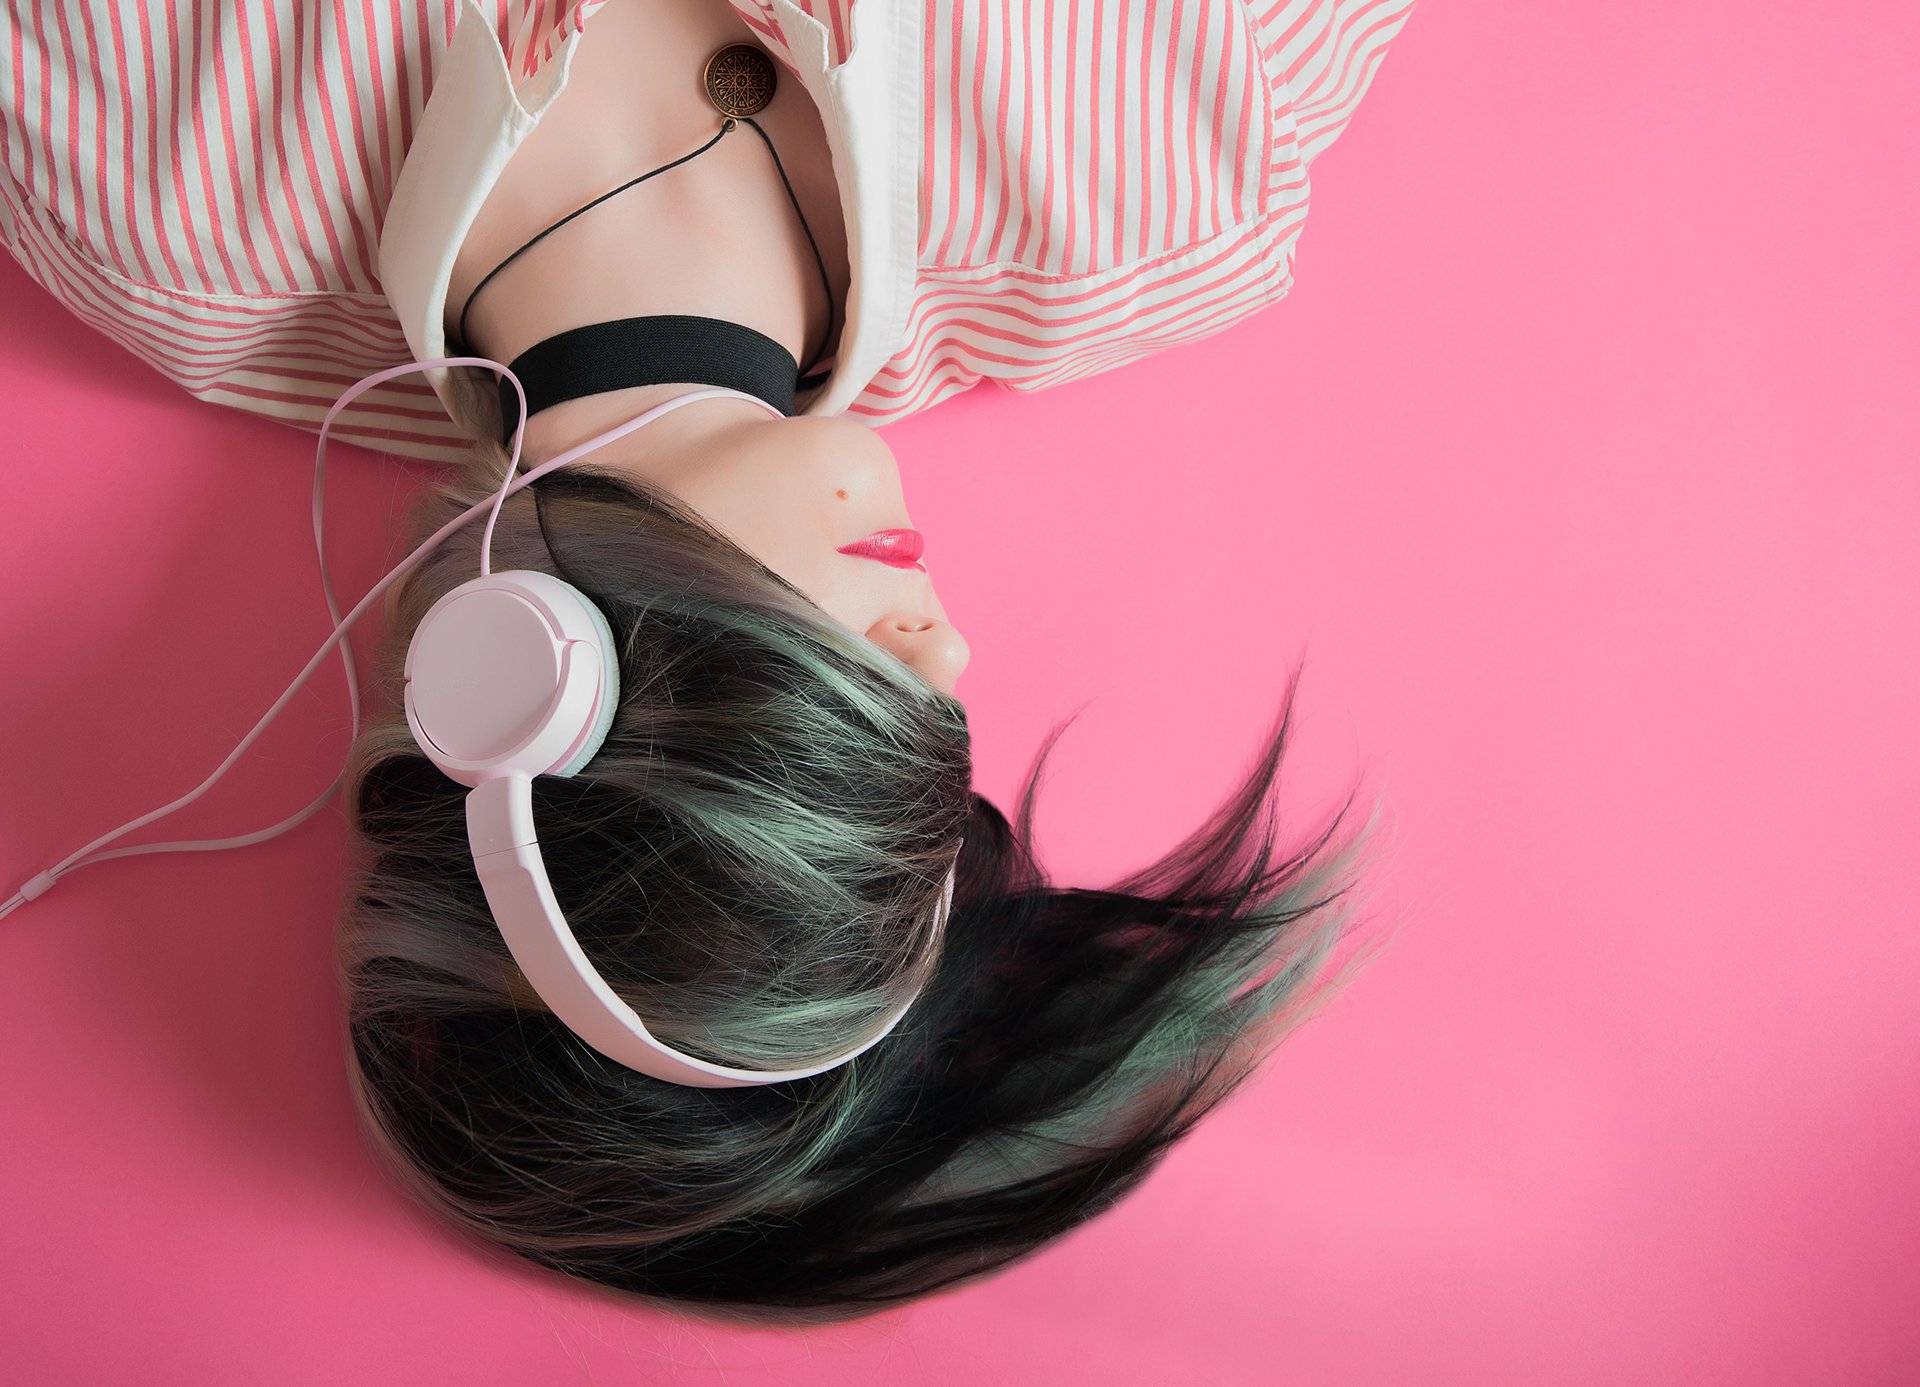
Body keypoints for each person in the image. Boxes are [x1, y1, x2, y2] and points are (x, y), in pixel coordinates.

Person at [1, 0, 1413, 1318]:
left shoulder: (149, 186)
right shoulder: (1174, 169)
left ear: (528, 679)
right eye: (939, 758)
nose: (949, 645)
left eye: (847, 716)